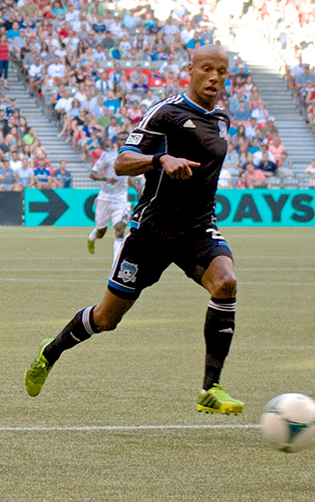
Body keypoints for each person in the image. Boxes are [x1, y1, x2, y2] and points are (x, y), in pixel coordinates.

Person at [25, 45, 245, 416]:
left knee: (225, 283)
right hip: (152, 232)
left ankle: (210, 388)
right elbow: (124, 161)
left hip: (197, 227)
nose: (214, 78)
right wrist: (160, 159)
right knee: (106, 319)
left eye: (221, 72)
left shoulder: (221, 118)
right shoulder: (167, 112)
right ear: (189, 69)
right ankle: (51, 350)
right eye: (207, 69)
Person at [87, 140, 144, 262]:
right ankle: (92, 237)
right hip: (105, 198)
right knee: (101, 231)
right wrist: (105, 179)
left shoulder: (131, 157)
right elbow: (92, 174)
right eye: (120, 139)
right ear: (116, 142)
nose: (123, 141)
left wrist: (136, 187)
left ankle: (116, 263)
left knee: (120, 230)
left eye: (125, 139)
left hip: (121, 199)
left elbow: (127, 179)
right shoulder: (107, 156)